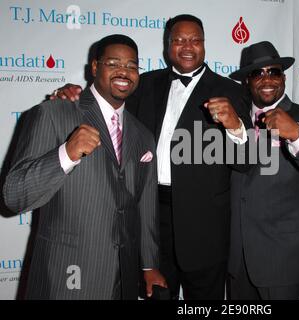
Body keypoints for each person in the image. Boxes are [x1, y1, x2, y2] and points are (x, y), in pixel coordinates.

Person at [52, 15, 250, 300]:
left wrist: (234, 126)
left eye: (195, 40)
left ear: (205, 45)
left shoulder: (232, 91)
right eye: (178, 40)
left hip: (205, 226)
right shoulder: (143, 83)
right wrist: (71, 94)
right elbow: (106, 103)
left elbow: (247, 161)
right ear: (167, 46)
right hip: (150, 218)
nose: (187, 46)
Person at [3, 34, 166, 299]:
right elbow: (14, 195)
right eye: (113, 63)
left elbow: (146, 204)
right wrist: (65, 154)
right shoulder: (54, 113)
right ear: (94, 67)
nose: (124, 72)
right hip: (64, 276)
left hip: (122, 278)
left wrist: (149, 264)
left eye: (132, 66)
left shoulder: (143, 134)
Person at [226, 41, 299, 299]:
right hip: (239, 256)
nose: (267, 80)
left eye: (274, 72)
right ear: (246, 81)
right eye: (257, 73)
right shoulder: (233, 120)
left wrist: (297, 134)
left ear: (284, 77)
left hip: (285, 256)